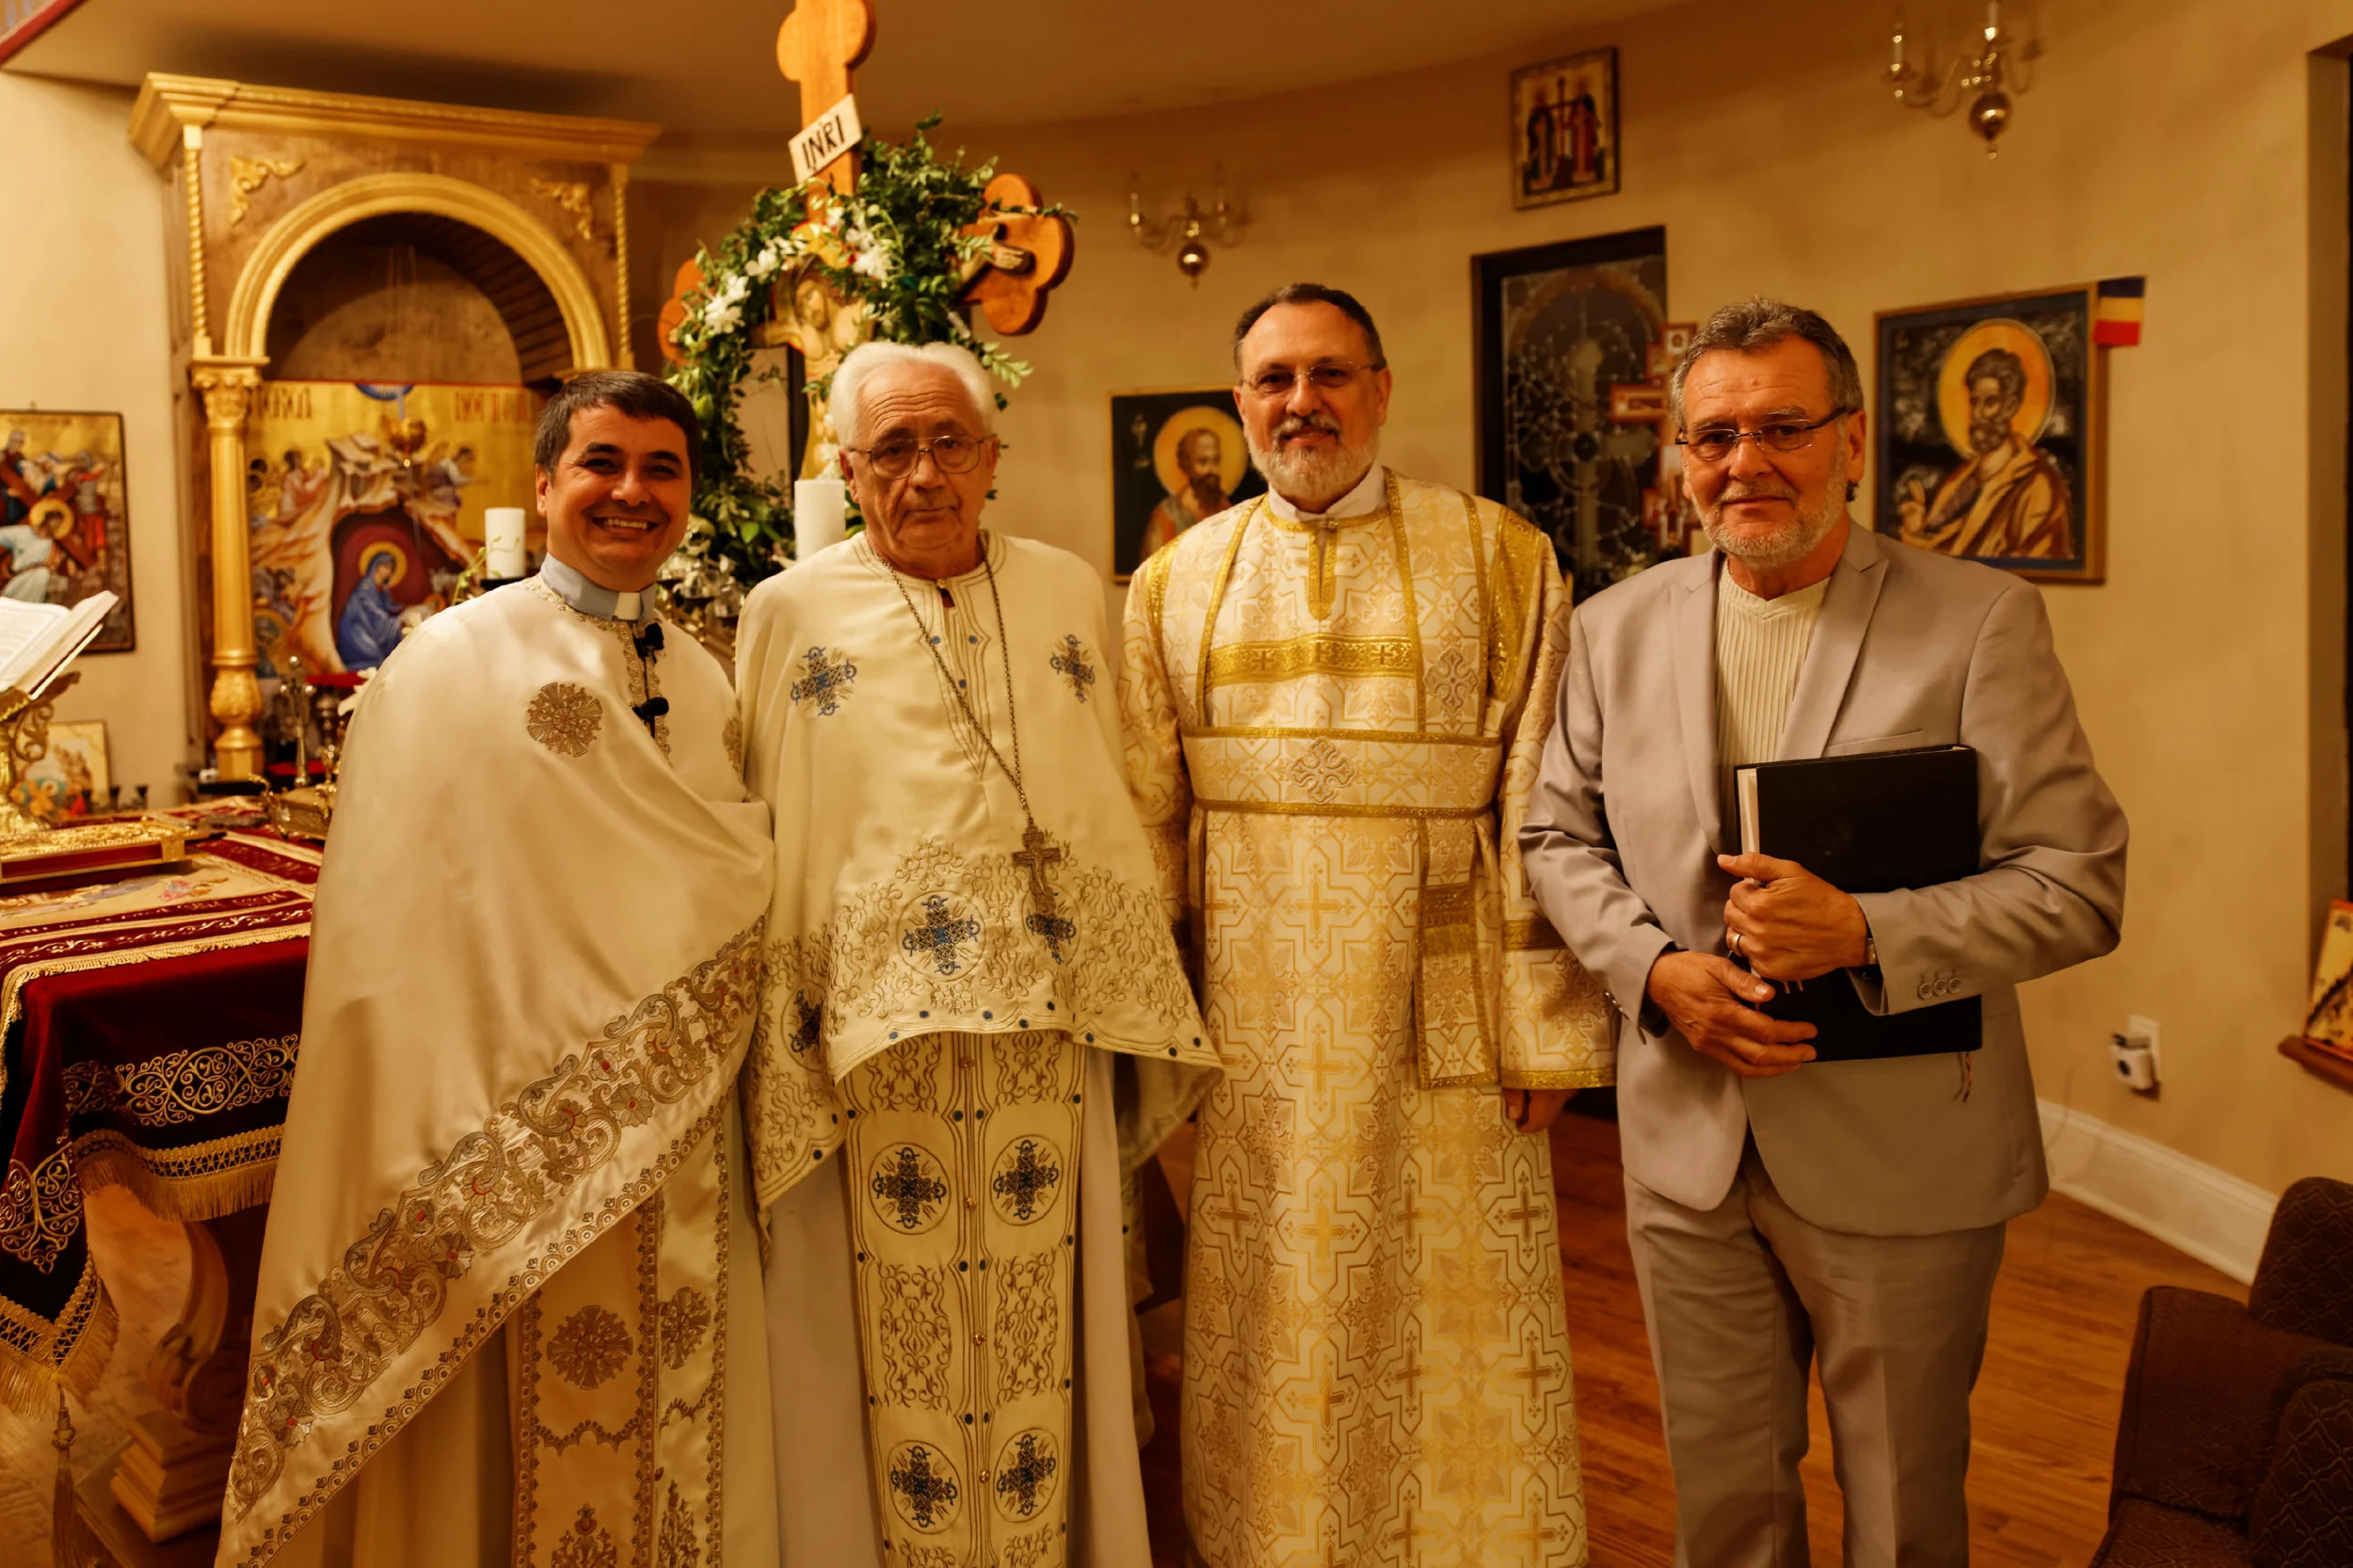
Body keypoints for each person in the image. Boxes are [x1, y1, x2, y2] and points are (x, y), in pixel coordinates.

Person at [1517, 297, 2128, 1567]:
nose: (1745, 462)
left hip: (1902, 1152)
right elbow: (1555, 836)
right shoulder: (1613, 626)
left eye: (1782, 428)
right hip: (1686, 1150)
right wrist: (1653, 972)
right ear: (1682, 457)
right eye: (1715, 435)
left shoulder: (1978, 620)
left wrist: (1864, 930)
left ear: (1851, 441)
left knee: (1901, 1512)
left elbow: (2079, 881)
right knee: (1726, 1510)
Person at [216, 370, 778, 1568]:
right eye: (602, 463)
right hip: (505, 1139)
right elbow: (389, 934)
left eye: (662, 469)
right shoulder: (449, 663)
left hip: (687, 1144)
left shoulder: (709, 675)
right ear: (545, 482)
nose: (631, 492)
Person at [1120, 282, 1614, 1567]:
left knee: (1446, 1304)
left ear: (1382, 388)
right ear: (1240, 403)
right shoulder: (1175, 581)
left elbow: (1544, 801)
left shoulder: (1502, 556)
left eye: (1331, 373)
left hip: (1437, 1010)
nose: (1303, 402)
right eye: (1275, 379)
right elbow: (1148, 821)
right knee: (1274, 1302)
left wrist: (1546, 1029)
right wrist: (1151, 1037)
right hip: (1255, 1028)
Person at [734, 339, 1219, 1568]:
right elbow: (769, 821)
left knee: (1041, 1321)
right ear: (848, 469)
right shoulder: (787, 612)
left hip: (1050, 1029)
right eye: (892, 448)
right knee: (890, 1332)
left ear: (992, 455)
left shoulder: (1067, 591)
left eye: (950, 441)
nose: (925, 473)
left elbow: (1109, 787)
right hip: (869, 1048)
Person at [1898, 345, 2076, 560]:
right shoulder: (1960, 480)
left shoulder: (2038, 487)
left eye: (1990, 402)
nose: (1978, 414)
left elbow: (2036, 563)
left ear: (2011, 407)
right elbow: (1942, 559)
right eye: (1974, 401)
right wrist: (1916, 531)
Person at [1141, 424, 1228, 558]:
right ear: (1186, 465)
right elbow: (1155, 566)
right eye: (1203, 462)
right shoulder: (1167, 517)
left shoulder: (1227, 509)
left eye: (1215, 461)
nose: (1212, 470)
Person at [334, 549, 404, 669]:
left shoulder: (381, 589)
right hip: (356, 630)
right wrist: (394, 623)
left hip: (371, 627)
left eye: (391, 569)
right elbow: (373, 612)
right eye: (385, 567)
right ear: (375, 566)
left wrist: (403, 611)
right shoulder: (365, 587)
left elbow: (386, 608)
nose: (388, 572)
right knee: (374, 656)